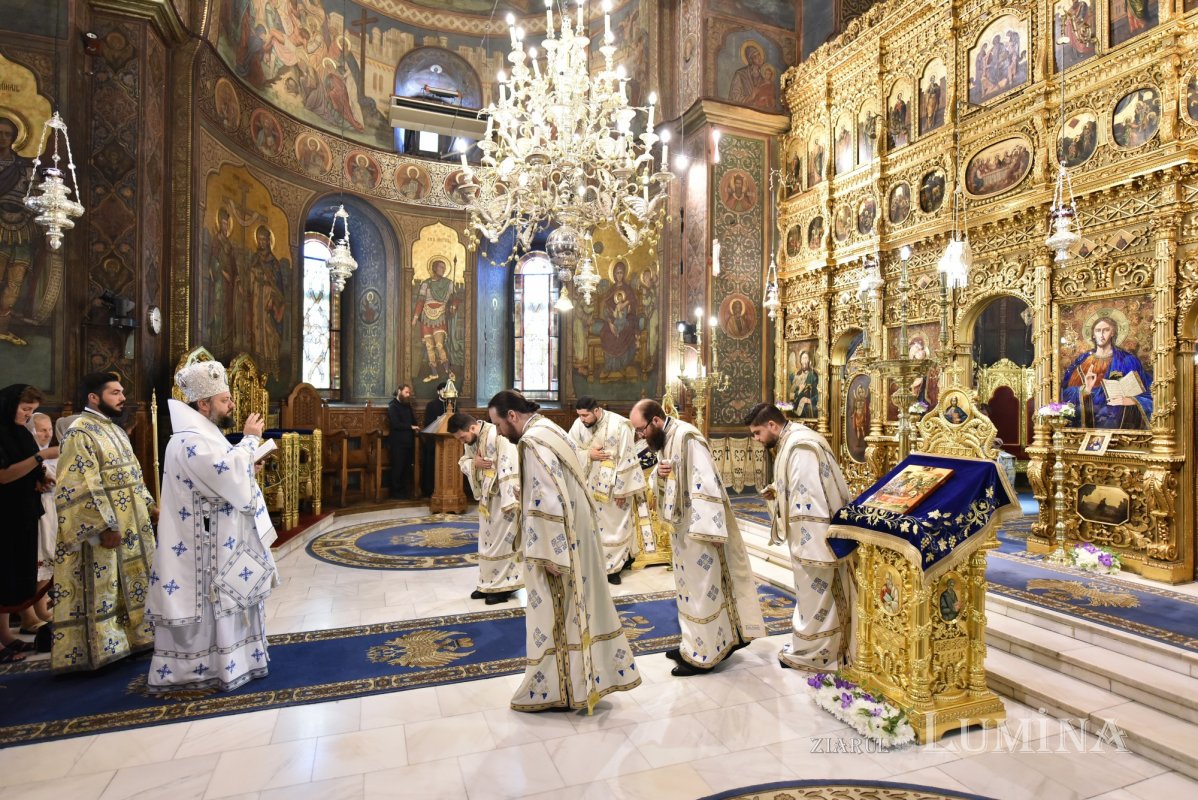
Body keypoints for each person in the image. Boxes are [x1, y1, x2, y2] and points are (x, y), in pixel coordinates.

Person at [487, 390, 640, 711]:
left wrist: (550, 554)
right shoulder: (549, 427)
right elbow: (577, 461)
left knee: (556, 611)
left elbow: (547, 498)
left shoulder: (531, 442)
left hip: (560, 539)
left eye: (499, 424)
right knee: (580, 605)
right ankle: (584, 680)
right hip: (579, 527)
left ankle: (559, 688)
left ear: (512, 416)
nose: (499, 432)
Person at [147, 360, 276, 692]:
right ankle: (203, 669)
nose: (231, 405)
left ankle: (236, 661)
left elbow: (224, 476)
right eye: (224, 400)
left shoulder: (206, 435)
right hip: (202, 547)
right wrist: (249, 442)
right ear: (203, 404)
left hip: (221, 539)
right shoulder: (190, 440)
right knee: (209, 602)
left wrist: (248, 468)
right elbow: (223, 474)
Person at [630, 399, 765, 676]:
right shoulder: (664, 438)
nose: (640, 437)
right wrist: (660, 474)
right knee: (688, 590)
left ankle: (705, 653)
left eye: (641, 430)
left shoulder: (687, 437)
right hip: (682, 528)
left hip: (699, 529)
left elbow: (707, 482)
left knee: (704, 589)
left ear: (656, 420)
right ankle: (691, 644)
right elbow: (664, 475)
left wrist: (711, 531)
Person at [52, 373, 156, 674]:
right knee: (103, 587)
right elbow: (80, 485)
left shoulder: (114, 430)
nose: (122, 397)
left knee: (129, 584)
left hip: (132, 525)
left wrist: (149, 506)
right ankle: (100, 647)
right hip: (106, 531)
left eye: (122, 391)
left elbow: (133, 473)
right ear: (93, 398)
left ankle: (131, 639)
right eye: (115, 393)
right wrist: (104, 527)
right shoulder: (80, 433)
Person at [747, 402, 855, 672]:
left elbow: (811, 498)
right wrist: (777, 490)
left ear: (772, 425)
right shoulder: (792, 439)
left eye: (758, 433)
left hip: (814, 540)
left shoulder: (800, 445)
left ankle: (819, 653)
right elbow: (799, 484)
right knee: (812, 597)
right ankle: (810, 647)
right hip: (806, 538)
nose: (757, 440)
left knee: (820, 596)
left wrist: (814, 547)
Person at [568, 397, 648, 585]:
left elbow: (628, 458)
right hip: (589, 486)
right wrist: (589, 455)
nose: (582, 420)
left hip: (614, 489)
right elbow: (569, 448)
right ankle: (597, 564)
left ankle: (614, 568)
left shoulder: (620, 425)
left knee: (615, 528)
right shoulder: (578, 426)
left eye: (585, 415)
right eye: (579, 415)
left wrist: (623, 490)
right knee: (593, 527)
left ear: (597, 411)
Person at [0, 384, 52, 661]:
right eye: (24, 409)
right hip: (3, 514)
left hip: (22, 512)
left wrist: (41, 479)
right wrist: (41, 456)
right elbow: (4, 475)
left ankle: (7, 637)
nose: (29, 416)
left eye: (32, 411)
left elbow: (30, 467)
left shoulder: (20, 432)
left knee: (11, 577)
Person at [449, 412, 522, 604]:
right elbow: (464, 461)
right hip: (486, 498)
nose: (462, 441)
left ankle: (503, 587)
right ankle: (488, 583)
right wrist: (475, 463)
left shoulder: (498, 434)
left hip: (503, 498)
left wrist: (510, 501)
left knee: (503, 542)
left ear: (472, 428)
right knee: (487, 542)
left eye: (462, 437)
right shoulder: (471, 440)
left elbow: (511, 465)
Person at [1060, 316, 1152, 429]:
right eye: (1098, 330)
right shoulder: (1082, 361)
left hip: (1119, 424)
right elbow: (1064, 394)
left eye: (1106, 330)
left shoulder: (1127, 360)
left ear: (1112, 333)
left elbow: (1149, 393)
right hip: (1087, 423)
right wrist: (1085, 390)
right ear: (1093, 334)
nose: (1101, 334)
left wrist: (1132, 400)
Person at [0, 116, 38, 344]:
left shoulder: (25, 168)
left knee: (15, 283)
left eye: (7, 134)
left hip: (22, 230)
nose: (2, 138)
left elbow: (35, 196)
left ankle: (3, 329)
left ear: (14, 138)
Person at [27, 411, 57, 630]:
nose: (47, 434)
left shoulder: (54, 454)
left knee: (48, 557)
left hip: (51, 511)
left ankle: (42, 610)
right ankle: (33, 613)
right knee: (37, 561)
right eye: (41, 430)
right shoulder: (28, 455)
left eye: (49, 429)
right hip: (34, 513)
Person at [412, 258, 458, 382]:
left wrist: (453, 306)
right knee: (429, 346)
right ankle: (434, 373)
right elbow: (421, 301)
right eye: (440, 267)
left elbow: (455, 297)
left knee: (439, 345)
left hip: (440, 316)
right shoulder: (426, 283)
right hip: (426, 317)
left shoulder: (448, 284)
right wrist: (415, 317)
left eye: (444, 268)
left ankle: (448, 372)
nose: (443, 270)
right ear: (434, 268)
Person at [387, 384, 418, 499]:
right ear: (399, 391)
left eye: (409, 393)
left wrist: (414, 426)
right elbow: (396, 424)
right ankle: (396, 492)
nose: (408, 395)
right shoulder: (393, 406)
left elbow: (414, 422)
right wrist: (410, 427)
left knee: (407, 467)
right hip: (397, 442)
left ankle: (405, 492)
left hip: (409, 441)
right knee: (398, 467)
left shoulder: (407, 405)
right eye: (406, 392)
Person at [421, 382, 447, 498]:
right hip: (434, 441)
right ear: (438, 391)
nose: (445, 393)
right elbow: (428, 423)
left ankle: (447, 489)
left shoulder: (453, 404)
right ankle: (429, 490)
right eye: (443, 390)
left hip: (449, 442)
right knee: (431, 465)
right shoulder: (431, 405)